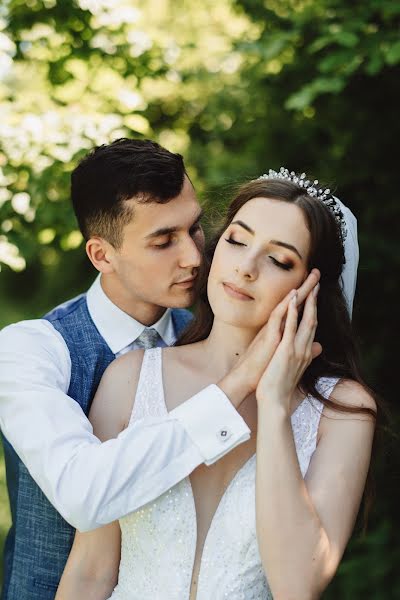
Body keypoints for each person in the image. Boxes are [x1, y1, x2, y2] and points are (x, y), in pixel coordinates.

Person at [0, 138, 302, 600]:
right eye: (163, 241)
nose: (194, 257)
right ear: (102, 255)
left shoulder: (212, 335)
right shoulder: (31, 350)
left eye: (195, 229)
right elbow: (84, 493)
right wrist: (234, 386)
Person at [56, 168, 376, 600]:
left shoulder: (341, 410)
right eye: (237, 241)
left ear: (311, 288)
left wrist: (275, 404)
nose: (245, 268)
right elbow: (90, 572)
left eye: (279, 260)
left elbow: (298, 585)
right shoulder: (132, 378)